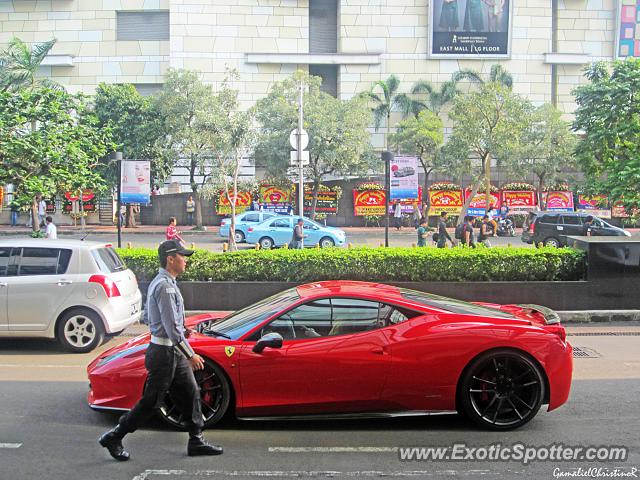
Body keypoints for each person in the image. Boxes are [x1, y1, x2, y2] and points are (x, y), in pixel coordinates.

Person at [98, 240, 223, 461]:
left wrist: (184, 330)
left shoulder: (167, 283)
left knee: (191, 392)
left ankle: (196, 440)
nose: (186, 260)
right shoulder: (164, 286)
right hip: (164, 354)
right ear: (170, 258)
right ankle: (115, 436)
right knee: (151, 402)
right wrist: (190, 353)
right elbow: (171, 327)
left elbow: (156, 319)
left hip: (170, 351)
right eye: (182, 256)